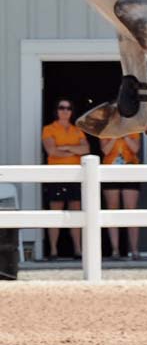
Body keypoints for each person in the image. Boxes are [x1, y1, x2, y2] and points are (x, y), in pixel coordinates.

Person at [41, 99, 89, 259]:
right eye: (61, 107)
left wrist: (66, 148)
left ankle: (78, 250)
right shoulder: (48, 129)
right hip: (56, 175)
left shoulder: (77, 130)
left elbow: (86, 149)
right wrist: (74, 150)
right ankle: (53, 251)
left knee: (76, 212)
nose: (65, 110)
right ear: (56, 110)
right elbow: (52, 151)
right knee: (56, 212)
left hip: (76, 176)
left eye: (68, 108)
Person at [99, 132, 143, 259]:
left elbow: (135, 149)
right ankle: (115, 250)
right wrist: (114, 136)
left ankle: (134, 250)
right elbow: (105, 150)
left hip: (130, 168)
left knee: (131, 210)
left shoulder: (133, 129)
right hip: (110, 169)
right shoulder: (106, 129)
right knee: (112, 210)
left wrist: (125, 135)